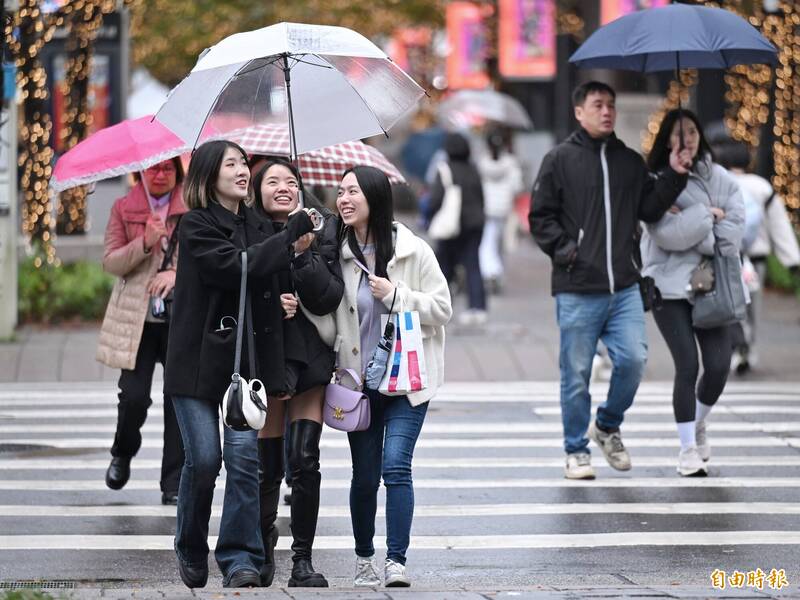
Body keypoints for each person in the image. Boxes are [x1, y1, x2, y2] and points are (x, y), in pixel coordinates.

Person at [163, 141, 315, 589]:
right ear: (210, 175)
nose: (242, 171)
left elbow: (273, 273)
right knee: (205, 460)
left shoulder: (259, 223)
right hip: (195, 363)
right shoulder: (195, 225)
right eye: (231, 164)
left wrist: (288, 296)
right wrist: (287, 237)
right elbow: (238, 268)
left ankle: (240, 557)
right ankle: (190, 543)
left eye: (244, 164)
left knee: (245, 461)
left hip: (243, 361)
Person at [529, 81, 691, 480]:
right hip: (577, 287)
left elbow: (650, 209)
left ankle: (606, 425)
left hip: (624, 287)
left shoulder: (629, 162)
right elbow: (540, 217)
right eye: (598, 104)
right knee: (577, 374)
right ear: (579, 111)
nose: (607, 112)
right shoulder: (559, 160)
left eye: (611, 105)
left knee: (634, 361)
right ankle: (576, 450)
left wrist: (674, 173)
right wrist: (569, 252)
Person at [332, 166, 451, 587]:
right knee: (364, 476)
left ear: (374, 198)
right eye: (340, 192)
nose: (343, 199)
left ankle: (396, 561)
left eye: (352, 192)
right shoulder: (337, 252)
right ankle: (365, 557)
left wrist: (398, 296)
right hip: (360, 385)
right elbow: (331, 316)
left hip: (407, 381)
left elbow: (443, 308)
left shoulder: (413, 251)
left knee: (396, 467)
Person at [251, 158, 343, 588]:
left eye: (292, 181)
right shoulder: (247, 230)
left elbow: (327, 298)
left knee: (305, 459)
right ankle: (263, 547)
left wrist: (305, 254)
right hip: (267, 358)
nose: (284, 187)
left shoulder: (321, 230)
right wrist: (272, 303)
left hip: (308, 357)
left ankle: (302, 560)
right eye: (273, 181)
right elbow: (237, 282)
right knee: (266, 466)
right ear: (257, 189)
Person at [642, 109, 745, 476]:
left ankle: (698, 422)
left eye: (691, 132)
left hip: (710, 283)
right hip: (667, 286)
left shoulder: (721, 178)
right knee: (688, 364)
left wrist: (700, 225)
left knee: (718, 366)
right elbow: (666, 234)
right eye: (677, 133)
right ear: (666, 140)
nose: (686, 139)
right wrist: (707, 216)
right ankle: (687, 448)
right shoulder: (655, 180)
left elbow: (734, 232)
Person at [96, 157, 187, 505]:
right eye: (153, 169)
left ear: (177, 172)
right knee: (133, 397)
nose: (160, 174)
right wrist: (145, 243)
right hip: (137, 320)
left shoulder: (191, 206)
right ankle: (122, 451)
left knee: (178, 400)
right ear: (141, 173)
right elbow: (110, 262)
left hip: (179, 317)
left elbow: (203, 257)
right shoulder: (124, 208)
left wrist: (176, 273)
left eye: (167, 168)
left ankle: (173, 482)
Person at [714, 142, 800, 373]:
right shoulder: (762, 187)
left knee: (734, 303)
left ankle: (737, 345)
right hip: (757, 258)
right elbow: (779, 225)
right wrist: (791, 260)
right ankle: (749, 349)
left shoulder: (719, 182)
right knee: (754, 306)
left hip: (728, 257)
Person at [429, 132, 487, 325]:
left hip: (450, 227)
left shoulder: (445, 169)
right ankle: (477, 307)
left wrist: (430, 216)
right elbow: (481, 197)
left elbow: (435, 199)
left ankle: (443, 305)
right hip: (474, 225)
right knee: (473, 266)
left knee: (444, 267)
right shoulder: (473, 169)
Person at [477, 129, 523, 293]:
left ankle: (492, 271)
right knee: (499, 244)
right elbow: (517, 187)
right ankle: (496, 272)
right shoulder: (511, 163)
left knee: (487, 241)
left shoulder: (482, 163)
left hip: (487, 208)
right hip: (504, 209)